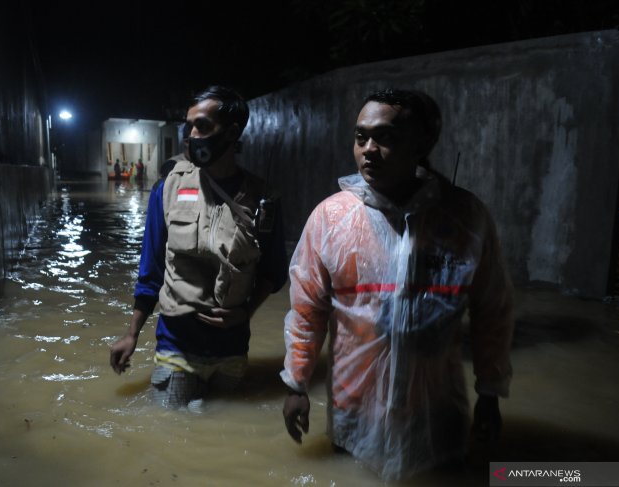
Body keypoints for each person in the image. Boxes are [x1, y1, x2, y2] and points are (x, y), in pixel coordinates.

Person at [280, 89, 514, 480]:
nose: (368, 149)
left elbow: (494, 310)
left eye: (385, 137)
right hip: (354, 409)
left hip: (437, 411)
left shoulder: (464, 218)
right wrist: (296, 384)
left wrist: (490, 393)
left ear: (421, 143)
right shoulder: (330, 219)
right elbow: (306, 309)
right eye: (360, 137)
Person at [110, 85, 288, 411]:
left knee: (222, 439)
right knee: (172, 435)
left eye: (202, 126)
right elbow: (151, 271)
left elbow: (274, 272)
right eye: (189, 126)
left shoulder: (264, 200)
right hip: (176, 347)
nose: (191, 135)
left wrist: (245, 314)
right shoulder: (168, 190)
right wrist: (132, 334)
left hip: (232, 353)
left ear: (232, 132)